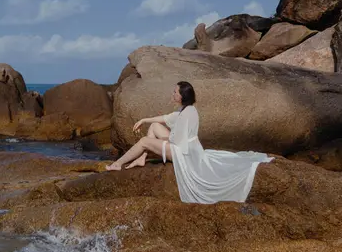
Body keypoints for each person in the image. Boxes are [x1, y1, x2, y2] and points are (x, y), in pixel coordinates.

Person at [106, 81, 274, 204]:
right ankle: (142, 157)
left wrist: (155, 143)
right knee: (155, 126)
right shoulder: (184, 109)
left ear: (182, 96)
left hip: (184, 153)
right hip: (183, 146)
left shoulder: (188, 113)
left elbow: (178, 142)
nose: (172, 94)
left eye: (175, 92)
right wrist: (144, 119)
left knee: (144, 140)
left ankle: (118, 164)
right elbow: (165, 118)